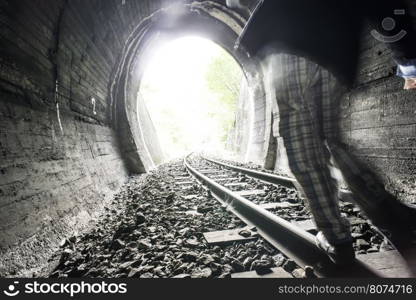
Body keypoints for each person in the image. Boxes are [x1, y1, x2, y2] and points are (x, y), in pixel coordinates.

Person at [226, 0, 416, 264]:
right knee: (333, 139)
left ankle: (336, 236)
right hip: (335, 51)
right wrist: (407, 59)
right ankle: (390, 215)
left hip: (289, 39)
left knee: (300, 140)